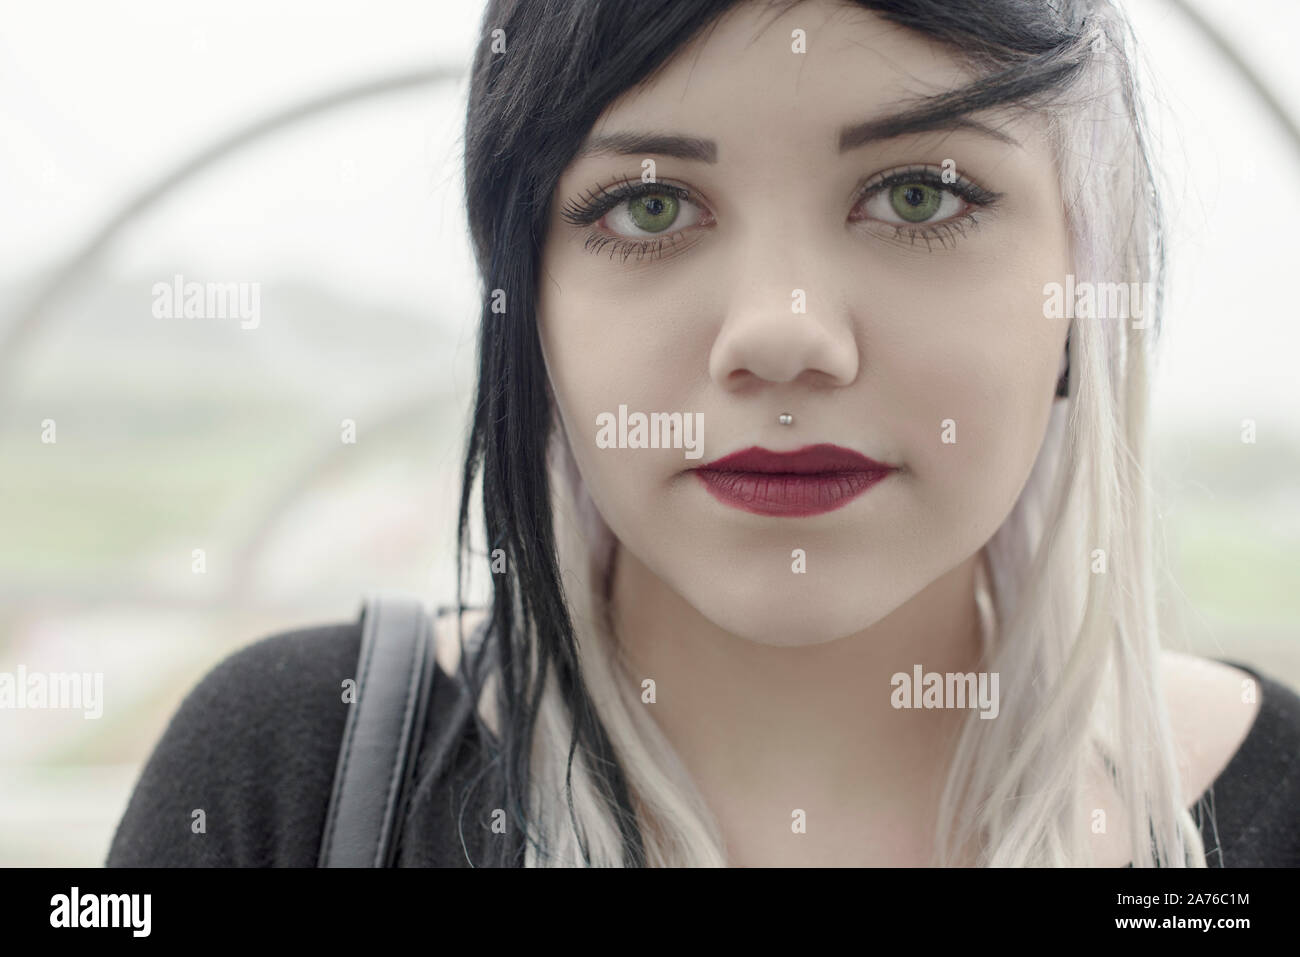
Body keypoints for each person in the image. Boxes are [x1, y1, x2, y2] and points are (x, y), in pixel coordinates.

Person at [107, 0, 1300, 868]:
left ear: (1086, 276)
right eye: (652, 205)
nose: (783, 337)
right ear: (529, 305)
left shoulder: (1274, 804)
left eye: (918, 193)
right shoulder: (292, 780)